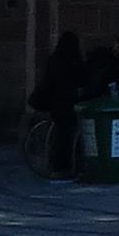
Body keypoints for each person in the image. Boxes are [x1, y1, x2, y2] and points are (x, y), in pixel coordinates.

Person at [31, 30, 85, 175]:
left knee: (60, 133)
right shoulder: (73, 59)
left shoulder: (54, 58)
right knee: (67, 133)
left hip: (54, 102)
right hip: (66, 102)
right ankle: (65, 164)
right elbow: (77, 80)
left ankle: (56, 164)